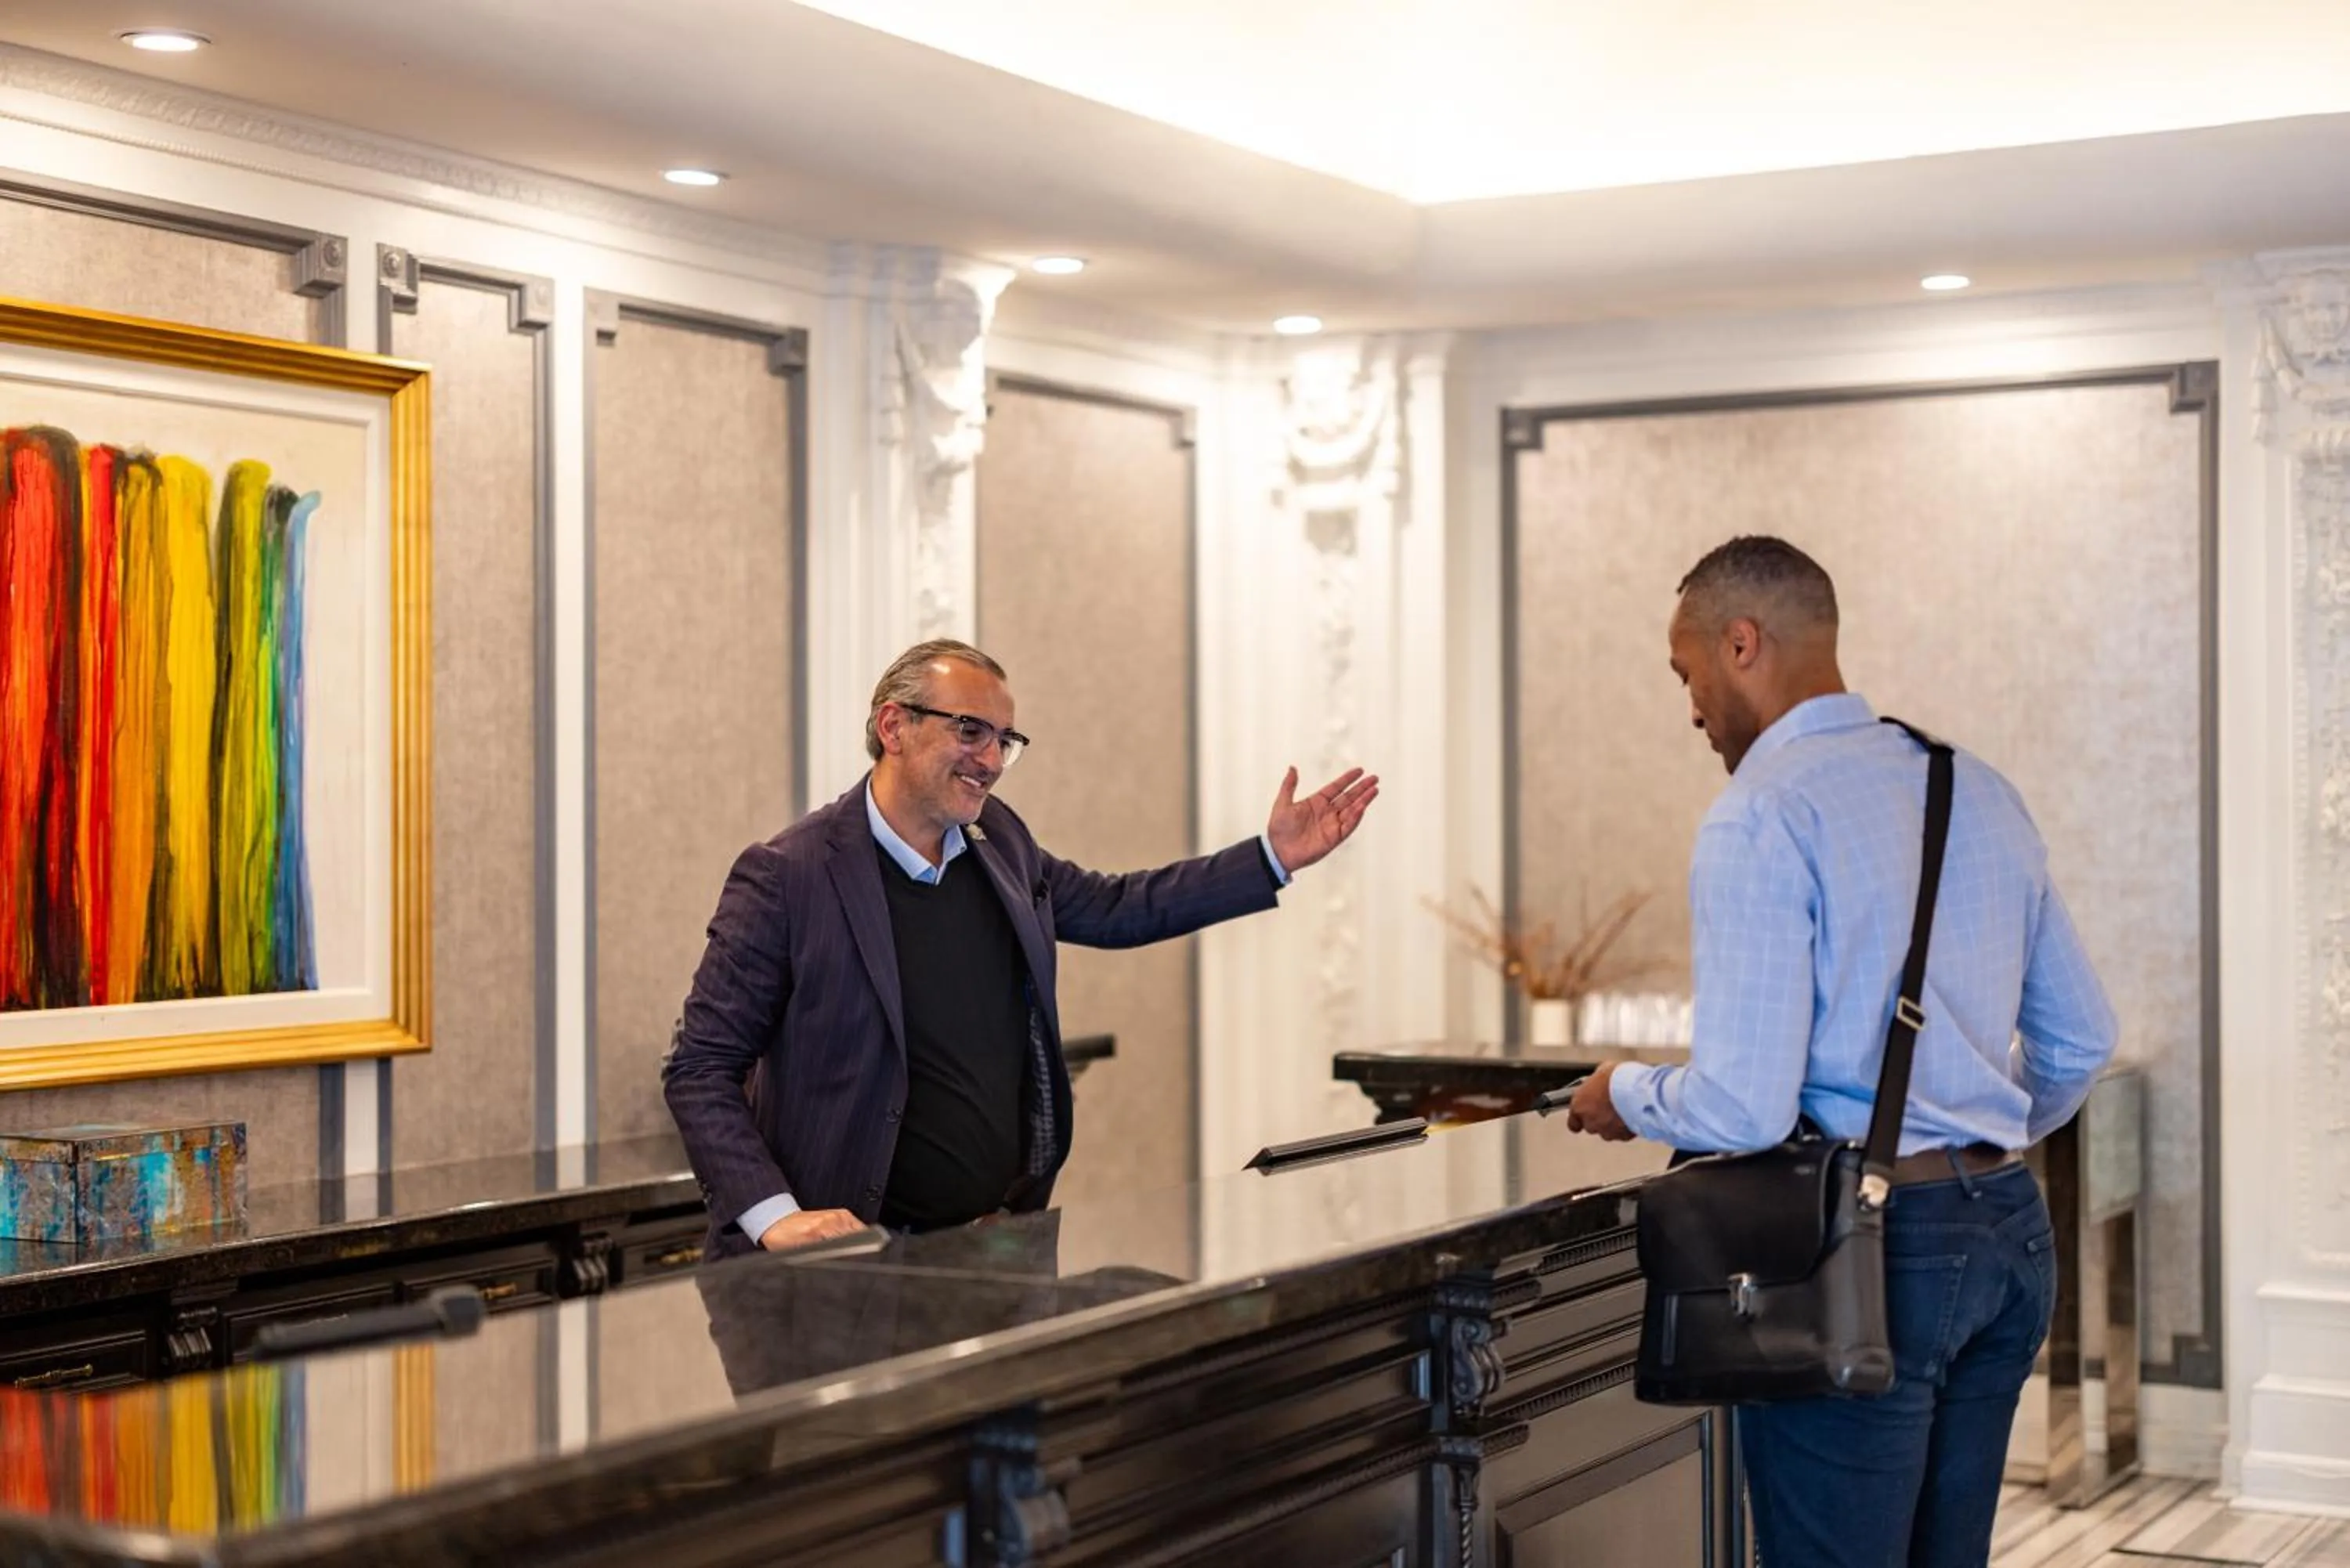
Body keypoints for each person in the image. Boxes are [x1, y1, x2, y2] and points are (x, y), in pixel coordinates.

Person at [1561, 536, 2118, 1567]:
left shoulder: (1761, 816)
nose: (1690, 709)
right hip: (2008, 1235)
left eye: (1686, 674)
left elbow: (1743, 1107)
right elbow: (2082, 1039)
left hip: (1871, 1259)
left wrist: (1623, 1090)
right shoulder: (1973, 785)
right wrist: (1972, 1148)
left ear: (1741, 643)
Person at [663, 638, 1379, 1259]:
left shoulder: (998, 840)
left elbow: (1116, 905)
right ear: (894, 726)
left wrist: (1269, 858)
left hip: (993, 1248)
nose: (992, 760)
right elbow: (699, 1067)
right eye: (972, 731)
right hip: (844, 1272)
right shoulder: (790, 874)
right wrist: (774, 1219)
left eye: (1004, 740)